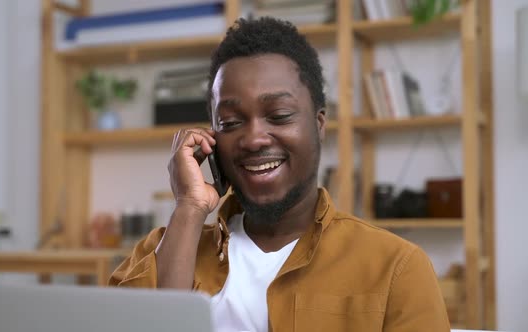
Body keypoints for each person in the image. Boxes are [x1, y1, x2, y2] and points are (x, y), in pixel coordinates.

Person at [109, 17, 450, 331]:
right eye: (229, 122)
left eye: (280, 115)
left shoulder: (396, 268)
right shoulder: (158, 252)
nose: (254, 138)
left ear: (319, 125)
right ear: (211, 138)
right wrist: (189, 207)